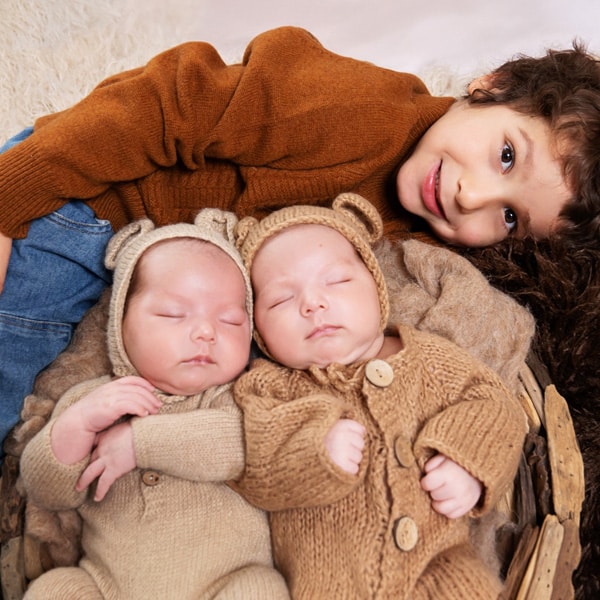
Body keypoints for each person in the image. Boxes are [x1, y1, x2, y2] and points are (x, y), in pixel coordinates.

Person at [0, 26, 598, 461]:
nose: (473, 197)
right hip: (83, 205)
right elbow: (169, 101)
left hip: (159, 286)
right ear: (488, 87)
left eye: (511, 217)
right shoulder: (356, 108)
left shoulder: (424, 247)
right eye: (506, 155)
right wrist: (11, 197)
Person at [231, 192, 528, 599]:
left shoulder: (426, 356)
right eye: (282, 299)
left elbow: (494, 404)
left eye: (337, 280)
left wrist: (468, 463)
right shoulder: (270, 386)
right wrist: (311, 449)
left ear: (376, 287)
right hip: (332, 582)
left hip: (441, 564)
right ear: (258, 332)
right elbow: (252, 467)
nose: (313, 303)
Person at [19, 209, 289, 600]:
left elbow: (248, 446)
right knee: (56, 589)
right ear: (120, 323)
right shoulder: (94, 401)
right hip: (110, 587)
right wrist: (75, 426)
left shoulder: (244, 395)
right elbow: (49, 492)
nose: (205, 332)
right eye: (172, 314)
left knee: (262, 589)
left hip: (227, 582)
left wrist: (139, 442)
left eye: (230, 320)